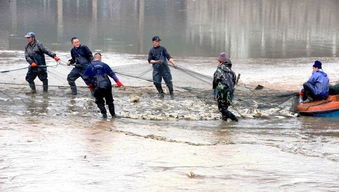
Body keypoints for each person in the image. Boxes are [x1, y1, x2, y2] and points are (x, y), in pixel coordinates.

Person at [83, 53, 124, 118]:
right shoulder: (104, 65)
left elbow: (85, 78)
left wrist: (90, 86)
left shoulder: (89, 66)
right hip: (107, 84)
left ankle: (104, 115)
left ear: (93, 58)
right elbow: (112, 74)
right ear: (100, 58)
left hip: (97, 86)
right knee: (110, 100)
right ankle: (113, 115)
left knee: (99, 101)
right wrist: (118, 82)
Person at [213, 52, 238, 122]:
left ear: (221, 62)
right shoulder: (232, 72)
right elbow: (233, 83)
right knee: (225, 109)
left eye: (217, 61)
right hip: (230, 93)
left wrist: (214, 93)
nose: (217, 63)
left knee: (222, 109)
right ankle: (224, 125)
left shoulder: (218, 70)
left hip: (222, 92)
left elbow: (215, 82)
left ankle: (235, 120)